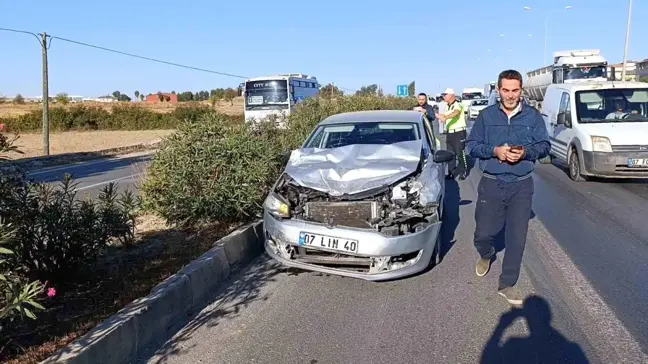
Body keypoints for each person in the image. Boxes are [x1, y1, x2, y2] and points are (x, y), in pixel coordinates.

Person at [465, 69, 551, 306]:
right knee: (483, 234)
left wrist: (526, 153)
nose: (511, 95)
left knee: (516, 237)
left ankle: (507, 284)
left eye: (515, 90)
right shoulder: (486, 116)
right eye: (506, 90)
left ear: (521, 90)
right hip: (491, 183)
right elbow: (472, 146)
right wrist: (495, 151)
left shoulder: (533, 117)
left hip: (521, 186)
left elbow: (544, 146)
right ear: (499, 90)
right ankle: (486, 254)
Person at [435, 88, 468, 180]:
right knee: (450, 154)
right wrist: (430, 113)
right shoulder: (447, 106)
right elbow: (443, 117)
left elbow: (456, 113)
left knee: (460, 153)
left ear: (451, 95)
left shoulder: (458, 104)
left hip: (459, 132)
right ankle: (451, 172)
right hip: (449, 133)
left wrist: (446, 117)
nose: (444, 97)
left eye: (445, 95)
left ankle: (463, 171)